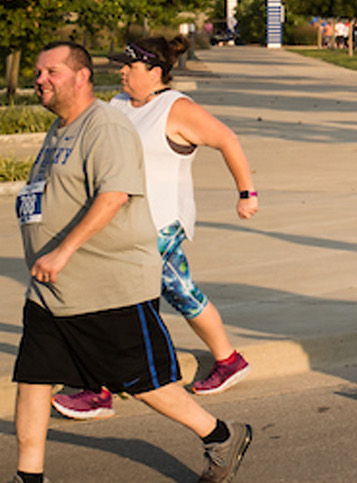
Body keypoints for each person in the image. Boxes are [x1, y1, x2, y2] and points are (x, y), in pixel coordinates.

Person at [5, 43, 252, 483]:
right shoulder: (62, 130)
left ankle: (221, 436)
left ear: (79, 77)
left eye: (51, 71)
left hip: (107, 284)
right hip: (54, 292)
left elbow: (115, 195)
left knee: (146, 383)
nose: (40, 79)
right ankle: (30, 480)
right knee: (34, 377)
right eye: (37, 72)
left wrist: (63, 249)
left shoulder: (106, 126)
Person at [51, 38, 261, 423]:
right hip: (117, 224)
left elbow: (227, 140)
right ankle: (228, 360)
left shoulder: (176, 108)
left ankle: (99, 389)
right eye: (121, 66)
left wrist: (246, 193)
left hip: (158, 224)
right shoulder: (115, 106)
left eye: (129, 66)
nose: (122, 72)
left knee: (111, 297)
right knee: (180, 293)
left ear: (155, 71)